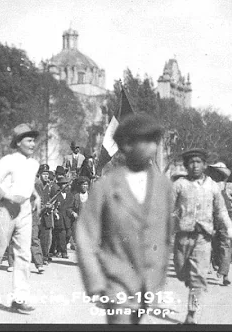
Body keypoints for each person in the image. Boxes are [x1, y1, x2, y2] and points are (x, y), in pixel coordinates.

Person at [77, 113, 173, 324]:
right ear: (126, 144)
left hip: (149, 282)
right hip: (117, 279)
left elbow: (164, 235)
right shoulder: (105, 186)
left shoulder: (163, 186)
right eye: (146, 140)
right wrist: (95, 282)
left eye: (154, 141)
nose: (153, 147)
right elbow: (85, 237)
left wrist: (159, 277)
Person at [0, 123, 41, 312]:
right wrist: (8, 197)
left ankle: (19, 299)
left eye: (34, 141)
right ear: (18, 142)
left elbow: (27, 184)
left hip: (25, 211)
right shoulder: (7, 160)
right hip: (7, 209)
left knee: (24, 254)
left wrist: (36, 196)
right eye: (29, 140)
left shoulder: (34, 163)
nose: (33, 144)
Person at [172, 148, 232, 324]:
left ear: (204, 165)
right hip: (182, 238)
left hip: (203, 238)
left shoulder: (212, 186)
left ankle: (191, 316)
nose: (194, 166)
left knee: (198, 278)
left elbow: (221, 210)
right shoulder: (179, 185)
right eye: (191, 162)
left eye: (198, 162)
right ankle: (190, 283)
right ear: (186, 165)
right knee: (181, 272)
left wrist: (230, 228)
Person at [206, 162, 232, 284]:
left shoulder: (231, 187)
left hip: (226, 218)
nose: (213, 174)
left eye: (216, 172)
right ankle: (216, 265)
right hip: (211, 218)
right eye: (213, 172)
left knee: (226, 245)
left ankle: (225, 274)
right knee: (213, 244)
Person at [35, 165, 56, 266]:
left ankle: (44, 257)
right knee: (35, 236)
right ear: (39, 174)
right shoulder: (35, 185)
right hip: (36, 214)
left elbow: (55, 199)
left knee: (46, 237)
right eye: (44, 174)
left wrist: (51, 205)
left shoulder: (51, 186)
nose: (46, 176)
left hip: (47, 214)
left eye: (47, 174)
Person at [51, 172, 74, 259]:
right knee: (62, 235)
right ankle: (64, 252)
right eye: (63, 185)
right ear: (60, 186)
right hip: (59, 218)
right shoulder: (56, 195)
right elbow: (53, 204)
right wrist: (55, 212)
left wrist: (72, 213)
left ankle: (59, 249)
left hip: (67, 218)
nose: (65, 187)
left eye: (67, 185)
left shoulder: (70, 195)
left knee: (68, 234)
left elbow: (71, 206)